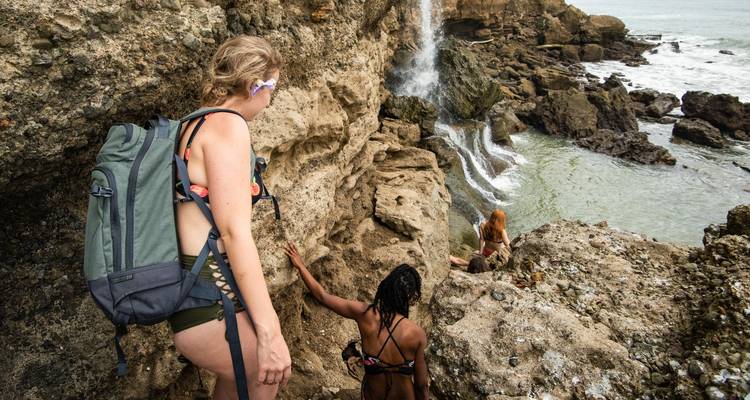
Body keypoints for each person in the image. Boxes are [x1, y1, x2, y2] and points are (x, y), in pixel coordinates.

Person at [168, 35, 291, 400]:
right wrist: (270, 329)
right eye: (272, 89)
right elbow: (235, 233)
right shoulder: (227, 126)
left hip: (196, 291)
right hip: (209, 299)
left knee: (239, 380)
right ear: (254, 85)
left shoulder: (192, 125)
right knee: (270, 373)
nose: (270, 101)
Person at [285, 242, 430, 400]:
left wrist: (300, 265)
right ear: (410, 297)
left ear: (386, 287)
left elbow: (322, 296)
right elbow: (422, 385)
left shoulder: (365, 314)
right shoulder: (417, 334)